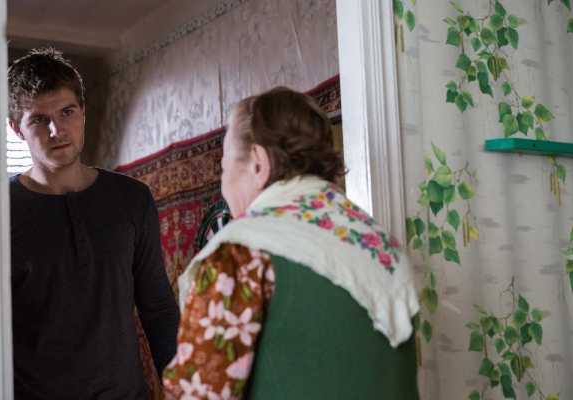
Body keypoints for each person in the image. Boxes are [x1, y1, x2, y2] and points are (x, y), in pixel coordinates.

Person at [163, 87, 420, 399]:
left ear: (258, 164)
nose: (223, 185)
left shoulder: (239, 255)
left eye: (224, 167)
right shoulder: (382, 247)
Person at [8, 48, 179, 400]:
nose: (57, 130)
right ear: (16, 128)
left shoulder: (131, 199)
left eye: (67, 112)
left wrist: (186, 389)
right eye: (39, 119)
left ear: (83, 112)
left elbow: (158, 307)